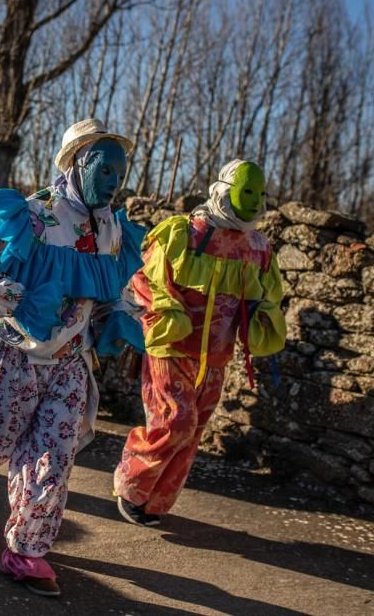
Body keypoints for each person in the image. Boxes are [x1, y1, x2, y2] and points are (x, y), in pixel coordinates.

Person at [0, 119, 145, 597]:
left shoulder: (112, 229)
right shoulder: (33, 214)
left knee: (53, 456)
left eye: (120, 172)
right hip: (19, 355)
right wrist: (12, 301)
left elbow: (114, 288)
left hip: (71, 361)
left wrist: (123, 317)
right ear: (76, 163)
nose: (115, 181)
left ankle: (25, 551)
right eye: (105, 170)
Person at [112, 159, 286, 526]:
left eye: (260, 193)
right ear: (223, 189)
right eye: (246, 191)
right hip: (170, 348)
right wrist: (167, 313)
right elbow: (147, 279)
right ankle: (131, 485)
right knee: (177, 422)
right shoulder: (184, 234)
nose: (254, 200)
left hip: (216, 357)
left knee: (194, 432)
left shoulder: (258, 248)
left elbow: (267, 297)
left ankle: (155, 502)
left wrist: (260, 318)